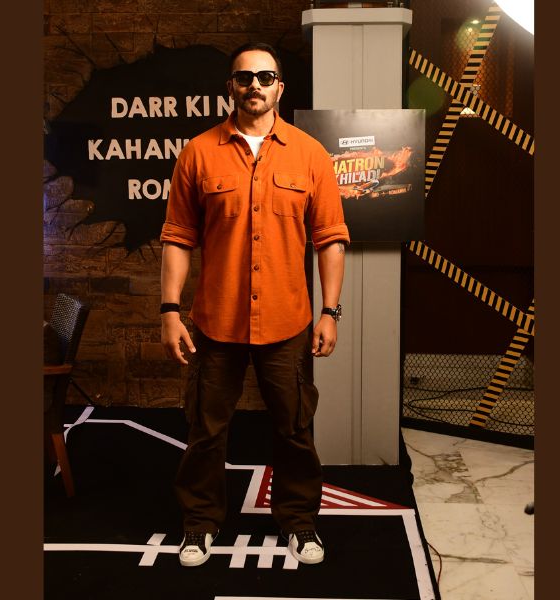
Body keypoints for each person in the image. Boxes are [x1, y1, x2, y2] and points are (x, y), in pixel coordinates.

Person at [159, 41, 349, 568]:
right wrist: (169, 311)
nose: (255, 86)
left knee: (294, 429)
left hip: (288, 323)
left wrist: (329, 312)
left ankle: (299, 522)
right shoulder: (198, 153)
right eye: (245, 78)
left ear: (279, 88)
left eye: (265, 77)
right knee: (206, 431)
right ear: (231, 87)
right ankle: (199, 524)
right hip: (216, 323)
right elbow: (177, 237)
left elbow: (331, 238)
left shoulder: (310, 154)